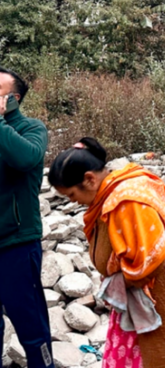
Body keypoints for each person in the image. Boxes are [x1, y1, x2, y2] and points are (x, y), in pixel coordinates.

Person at [48, 139, 165, 368]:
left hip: (161, 296)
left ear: (89, 179)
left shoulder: (126, 201)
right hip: (137, 298)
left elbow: (148, 258)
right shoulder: (109, 194)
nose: (73, 202)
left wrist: (115, 283)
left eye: (72, 195)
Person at [0, 68, 52, 368]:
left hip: (17, 243)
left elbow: (25, 159)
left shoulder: (32, 129)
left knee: (31, 326)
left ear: (13, 98)